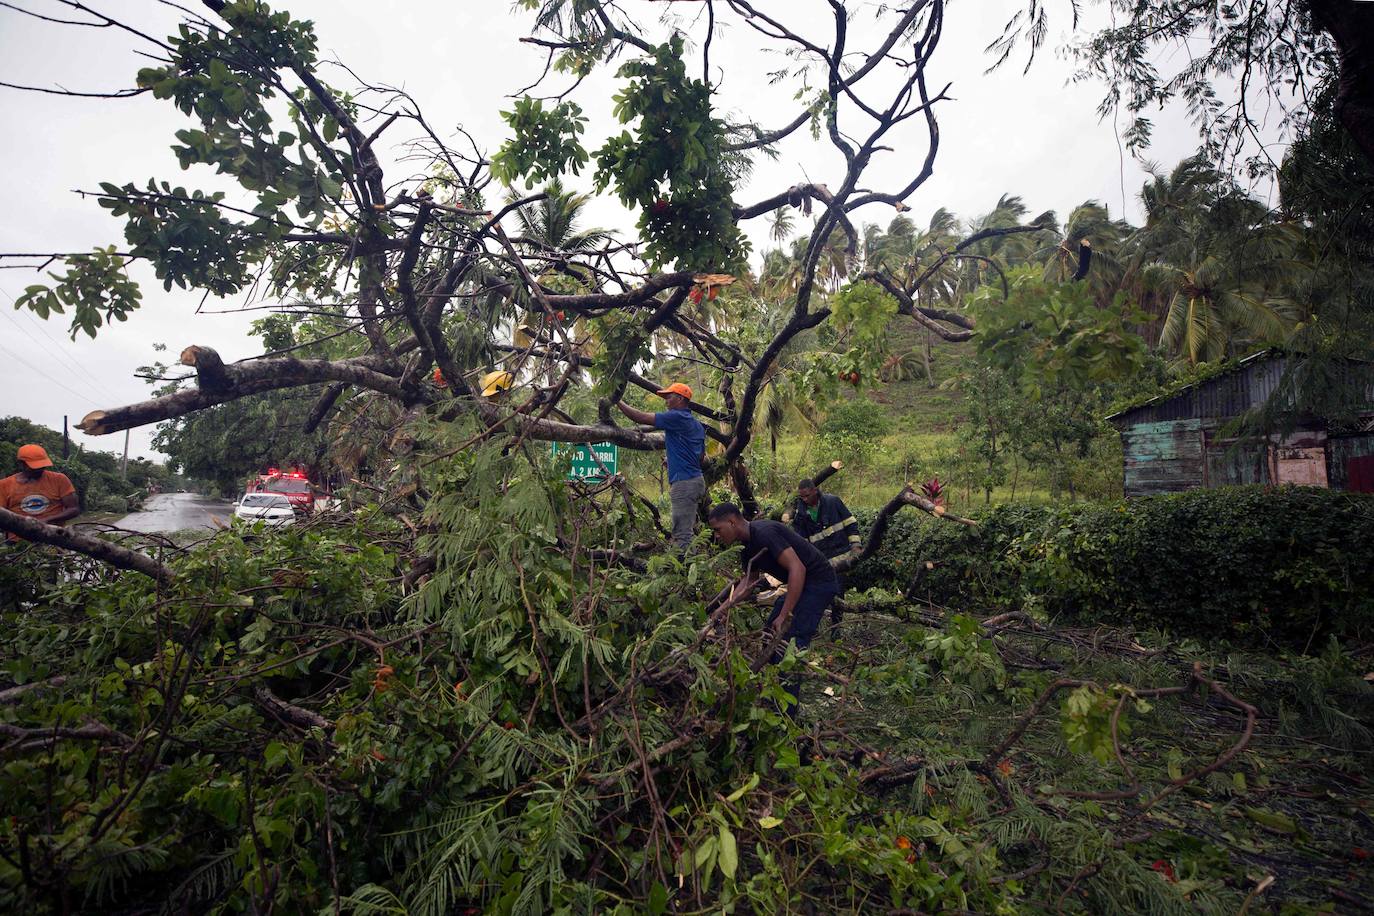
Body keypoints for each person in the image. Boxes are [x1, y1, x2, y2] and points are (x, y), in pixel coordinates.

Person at [707, 502, 840, 717]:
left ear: (732, 522)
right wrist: (722, 610)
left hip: (819, 583)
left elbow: (798, 568)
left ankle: (787, 715)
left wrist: (784, 614)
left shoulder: (764, 532)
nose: (717, 536)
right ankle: (770, 696)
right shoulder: (747, 545)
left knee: (789, 640)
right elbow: (748, 584)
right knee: (770, 633)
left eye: (718, 530)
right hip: (804, 585)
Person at [617, 382, 706, 549]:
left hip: (684, 484)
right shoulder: (697, 425)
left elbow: (640, 417)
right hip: (696, 481)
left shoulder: (676, 417)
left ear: (680, 399)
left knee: (682, 534)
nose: (666, 401)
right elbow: (700, 457)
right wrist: (674, 461)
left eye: (669, 397)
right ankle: (691, 565)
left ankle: (687, 571)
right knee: (687, 530)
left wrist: (617, 402)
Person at [790, 478, 861, 625]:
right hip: (821, 563)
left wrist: (855, 545)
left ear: (815, 491)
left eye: (807, 495)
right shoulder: (801, 514)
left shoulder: (833, 502)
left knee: (838, 593)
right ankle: (813, 626)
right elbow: (801, 543)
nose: (804, 499)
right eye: (801, 497)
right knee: (817, 594)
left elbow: (851, 524)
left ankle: (836, 629)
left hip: (841, 560)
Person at [1, 445, 80, 540]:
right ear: (21, 464)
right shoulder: (4, 485)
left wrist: (47, 520)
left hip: (54, 538)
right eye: (34, 467)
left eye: (42, 466)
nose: (39, 469)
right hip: (18, 541)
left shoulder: (59, 479)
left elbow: (74, 509)